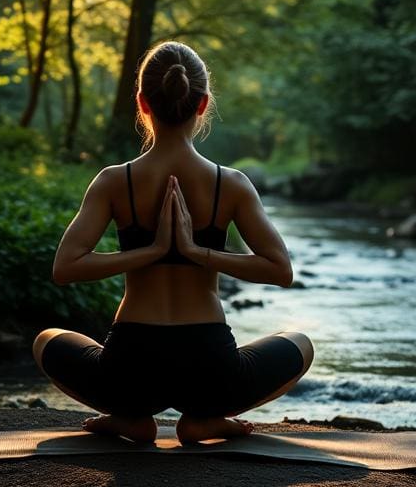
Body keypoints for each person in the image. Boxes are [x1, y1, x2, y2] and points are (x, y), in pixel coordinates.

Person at [33, 41, 314, 444]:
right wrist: (199, 253)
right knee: (299, 343)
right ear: (202, 104)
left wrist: (146, 253)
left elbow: (65, 267)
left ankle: (130, 417)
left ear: (143, 103)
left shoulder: (115, 180)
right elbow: (280, 270)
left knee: (47, 339)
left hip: (129, 367)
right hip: (211, 368)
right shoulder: (230, 183)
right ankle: (205, 419)